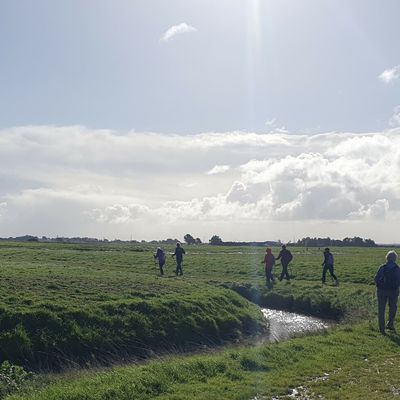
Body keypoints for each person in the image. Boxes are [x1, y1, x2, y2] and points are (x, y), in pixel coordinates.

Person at [374, 250, 400, 334]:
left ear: (387, 258)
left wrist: (378, 286)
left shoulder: (382, 267)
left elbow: (376, 279)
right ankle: (390, 323)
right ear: (395, 258)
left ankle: (381, 328)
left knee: (381, 309)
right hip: (393, 291)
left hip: (381, 290)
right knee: (393, 307)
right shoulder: (397, 268)